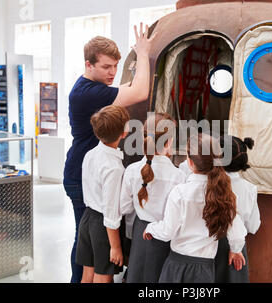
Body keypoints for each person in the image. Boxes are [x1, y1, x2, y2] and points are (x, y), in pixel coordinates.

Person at [63, 23, 156, 283]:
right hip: (83, 177)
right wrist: (143, 52)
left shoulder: (91, 89)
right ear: (88, 64)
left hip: (85, 172)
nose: (112, 73)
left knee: (88, 241)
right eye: (106, 67)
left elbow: (125, 87)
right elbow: (139, 91)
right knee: (89, 244)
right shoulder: (89, 94)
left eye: (116, 66)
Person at [143, 133, 247, 283]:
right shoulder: (226, 194)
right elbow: (236, 233)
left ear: (190, 163)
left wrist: (151, 228)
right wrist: (236, 250)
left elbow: (167, 232)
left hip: (177, 265)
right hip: (205, 269)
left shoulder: (180, 193)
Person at [119, 113, 186, 282]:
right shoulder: (179, 176)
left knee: (137, 276)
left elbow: (124, 208)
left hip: (140, 231)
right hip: (167, 235)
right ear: (169, 142)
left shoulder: (132, 170)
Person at [75, 105, 129, 283]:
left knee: (87, 275)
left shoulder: (90, 154)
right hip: (103, 227)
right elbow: (111, 212)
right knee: (103, 277)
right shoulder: (113, 167)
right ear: (124, 132)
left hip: (87, 218)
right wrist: (115, 247)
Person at [214, 135, 260, 283]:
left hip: (207, 244)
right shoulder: (249, 189)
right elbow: (253, 226)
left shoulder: (207, 184)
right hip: (236, 249)